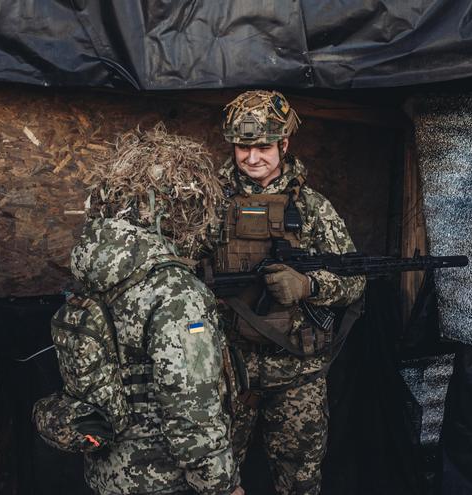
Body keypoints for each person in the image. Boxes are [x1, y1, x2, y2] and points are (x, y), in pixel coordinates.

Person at [40, 124, 243, 495]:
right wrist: (222, 486)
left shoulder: (96, 274)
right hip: (163, 482)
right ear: (175, 209)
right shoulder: (177, 293)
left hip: (107, 478)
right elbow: (191, 409)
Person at [205, 90, 366, 494]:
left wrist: (310, 284)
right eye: (244, 146)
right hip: (225, 371)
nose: (252, 157)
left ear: (284, 144)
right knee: (213, 481)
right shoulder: (206, 204)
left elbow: (355, 280)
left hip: (298, 373)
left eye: (263, 146)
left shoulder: (312, 209)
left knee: (300, 482)